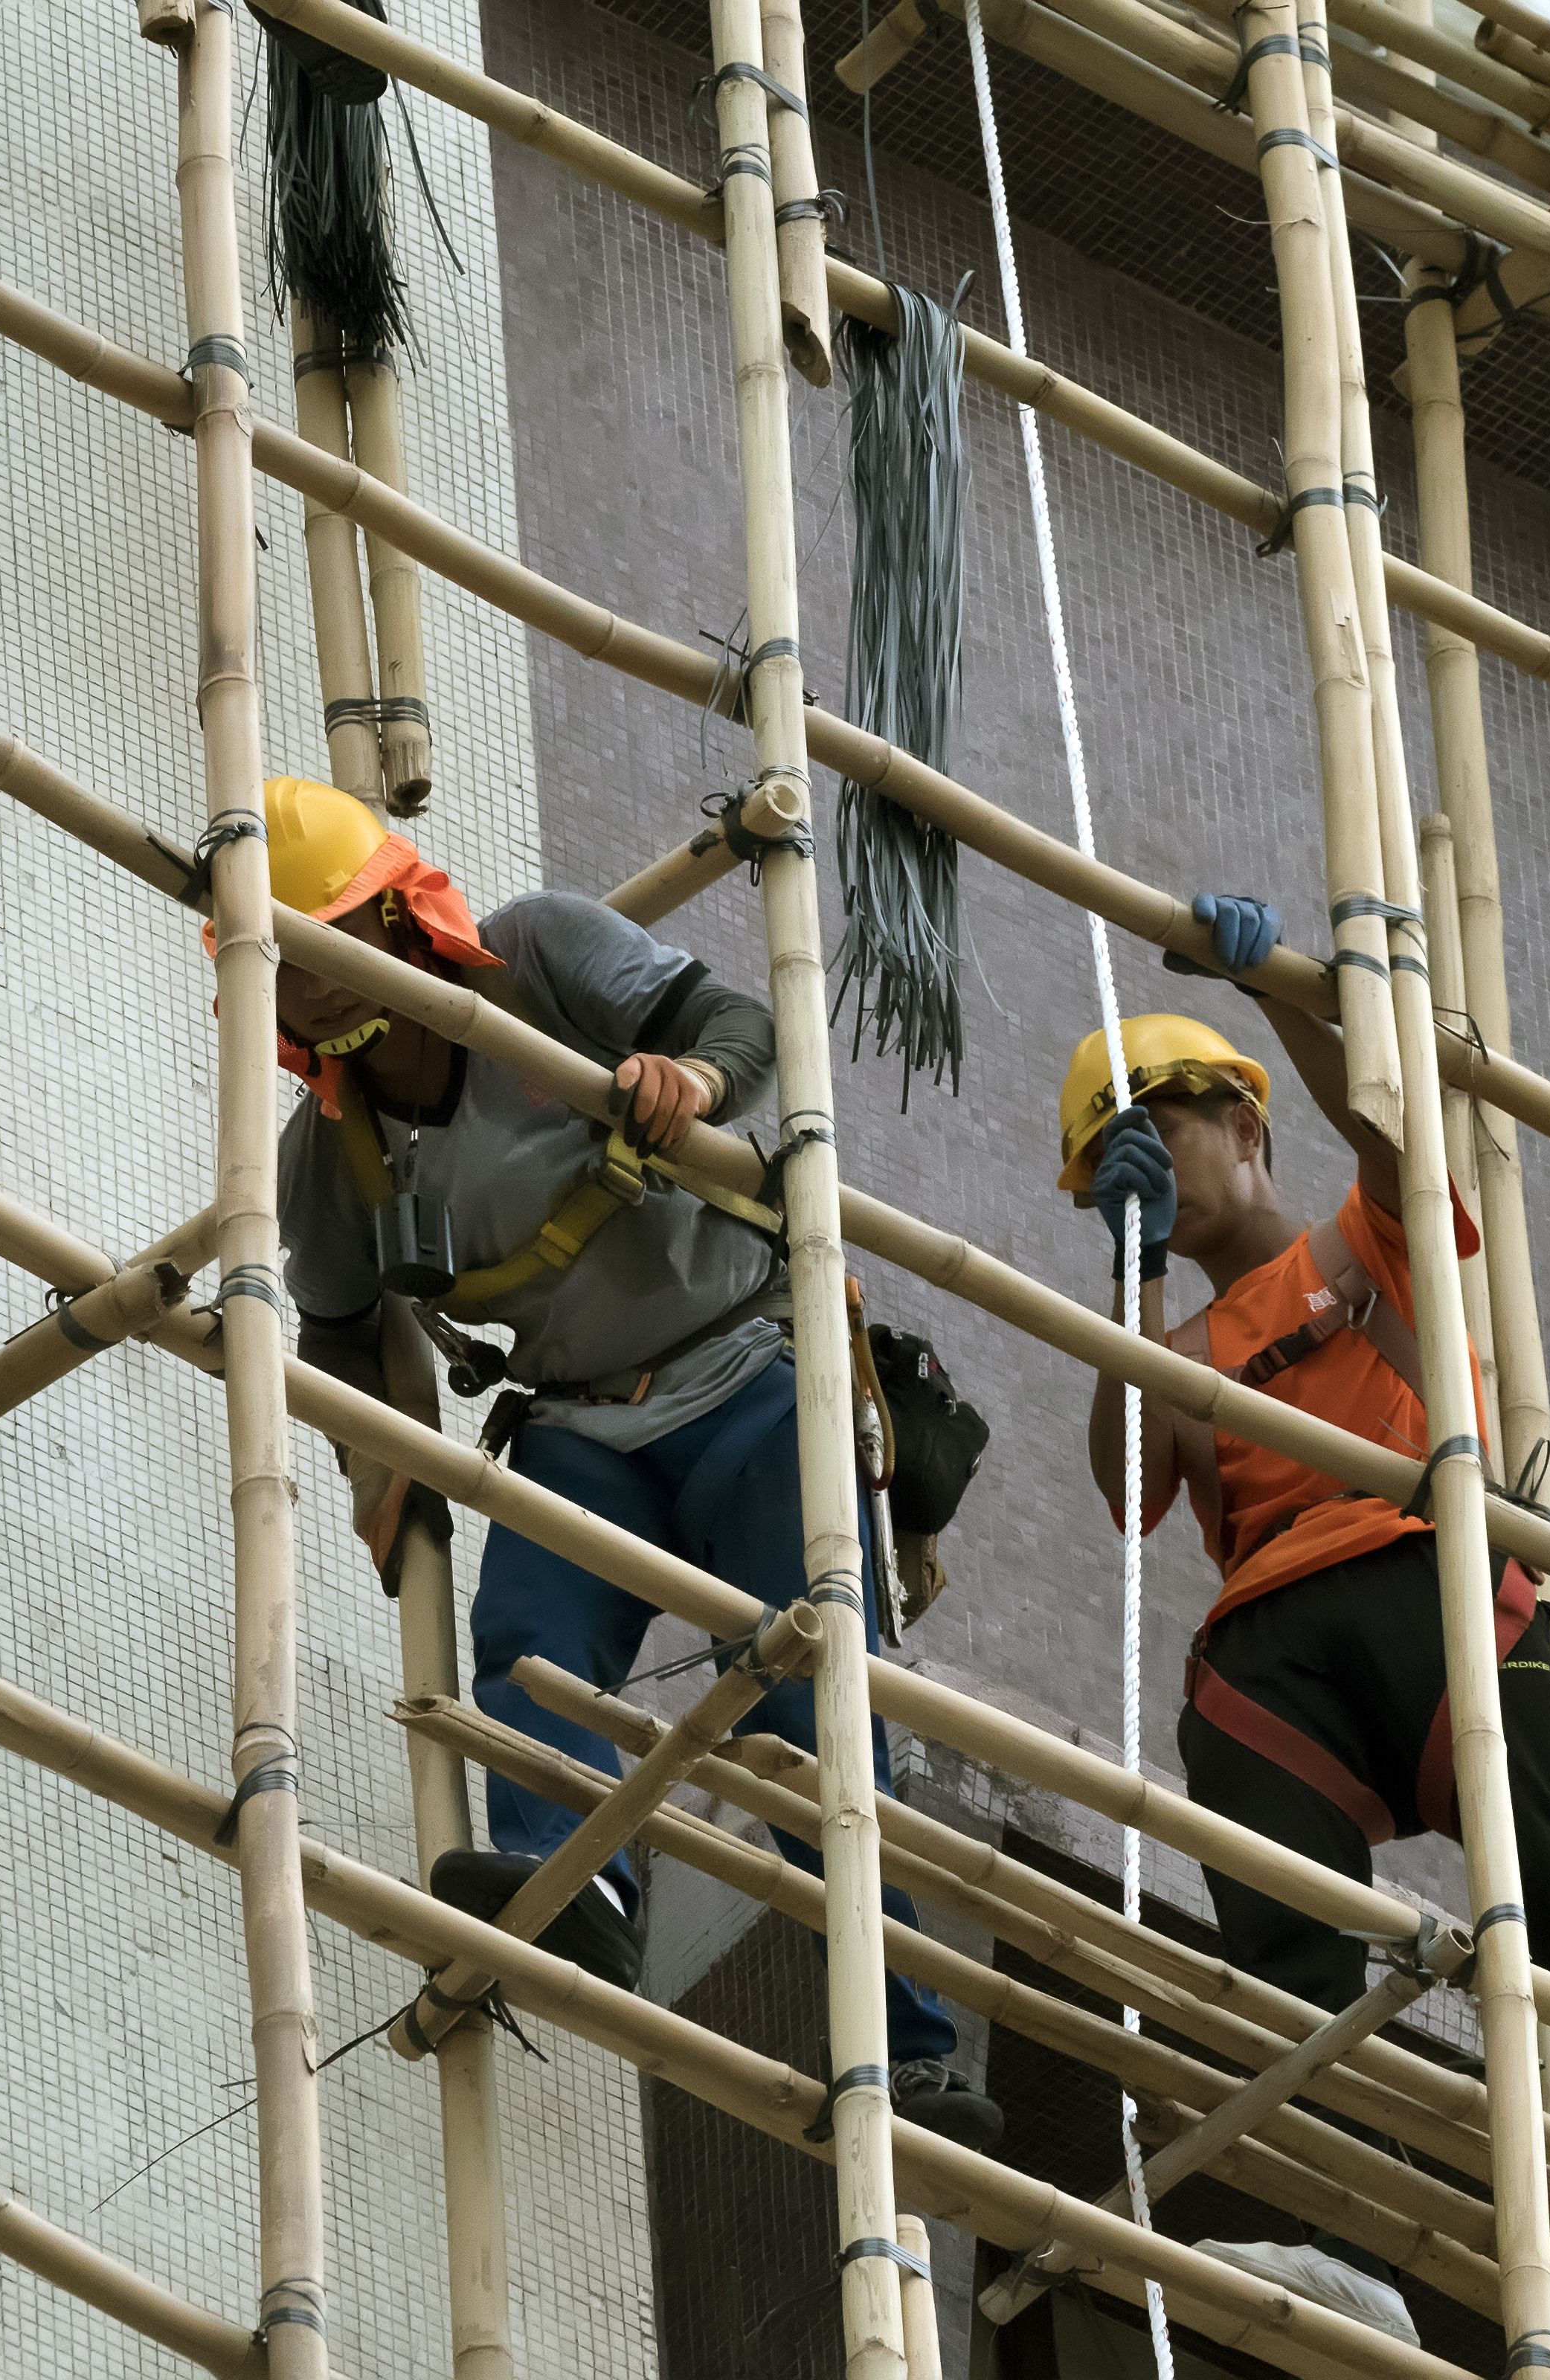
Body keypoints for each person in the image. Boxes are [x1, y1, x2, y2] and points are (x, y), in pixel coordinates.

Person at [1069, 898, 1550, 2342]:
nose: (1149, 1149)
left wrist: (1276, 989)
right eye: (1117, 1151)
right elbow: (1127, 1492)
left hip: (1435, 1577)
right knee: (1291, 1961)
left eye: (1168, 1117)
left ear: (1249, 1120)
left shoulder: (1360, 1236)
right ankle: (1321, 2236)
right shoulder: (1165, 1346)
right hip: (1275, 1651)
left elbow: (1401, 1149)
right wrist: (1132, 1261)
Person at [260, 776, 1003, 2152]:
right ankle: (562, 1890)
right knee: (529, 1646)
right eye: (283, 963)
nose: (305, 983)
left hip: (747, 1373)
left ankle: (915, 2050)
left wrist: (698, 1082)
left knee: (810, 1728)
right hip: (579, 1419)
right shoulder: (334, 1148)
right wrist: (386, 1473)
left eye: (317, 940)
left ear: (390, 915)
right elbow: (342, 1330)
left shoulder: (539, 956)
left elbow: (744, 1025)